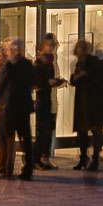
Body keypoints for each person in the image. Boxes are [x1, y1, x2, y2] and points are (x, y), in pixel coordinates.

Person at [0, 38, 39, 180]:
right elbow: (33, 82)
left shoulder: (9, 66)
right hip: (24, 105)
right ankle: (28, 168)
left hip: (11, 105)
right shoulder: (27, 64)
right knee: (25, 138)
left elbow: (2, 85)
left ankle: (7, 169)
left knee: (9, 138)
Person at [67, 38, 103, 170]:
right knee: (82, 131)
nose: (79, 50)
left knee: (95, 129)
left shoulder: (93, 62)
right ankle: (83, 157)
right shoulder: (79, 63)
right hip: (82, 101)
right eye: (78, 48)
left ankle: (95, 159)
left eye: (81, 48)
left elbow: (99, 78)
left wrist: (85, 75)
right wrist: (75, 78)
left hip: (93, 102)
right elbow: (74, 79)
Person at [34, 34, 65, 169]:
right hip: (42, 98)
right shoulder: (40, 62)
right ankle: (38, 158)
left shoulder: (50, 61)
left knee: (48, 129)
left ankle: (44, 157)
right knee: (42, 129)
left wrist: (57, 82)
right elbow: (35, 82)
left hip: (49, 97)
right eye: (49, 45)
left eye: (53, 45)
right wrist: (48, 82)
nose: (51, 48)